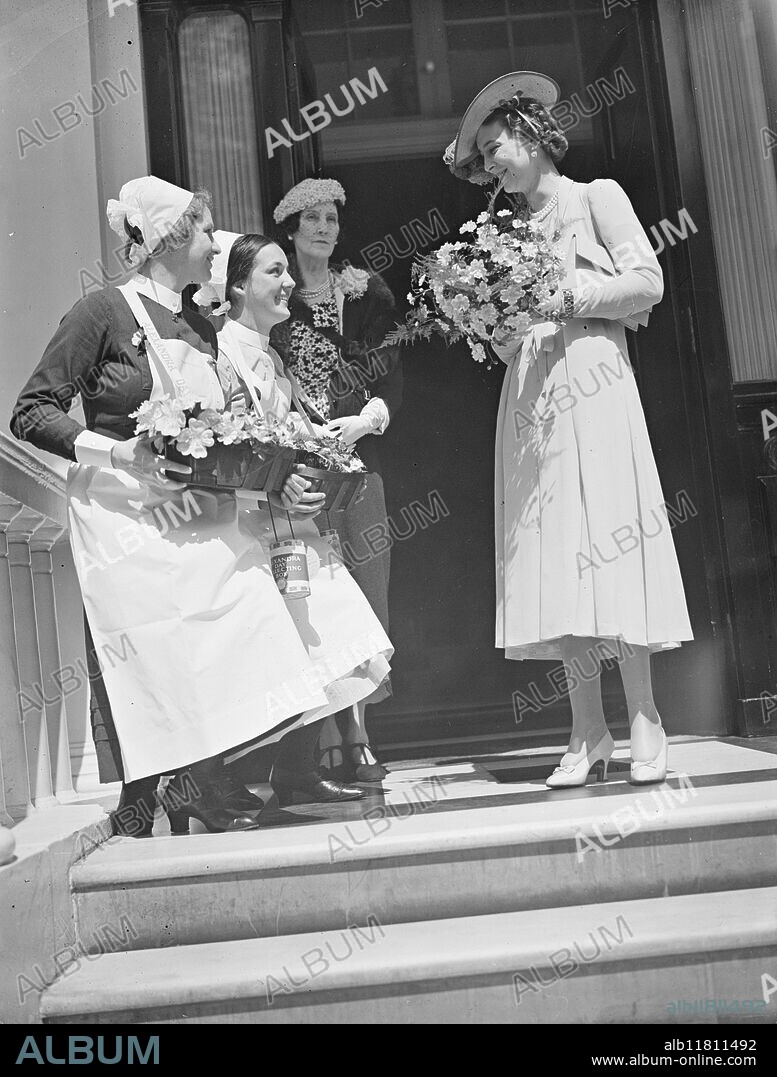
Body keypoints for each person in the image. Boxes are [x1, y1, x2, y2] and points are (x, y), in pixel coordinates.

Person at [10, 176, 386, 836]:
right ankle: (165, 785)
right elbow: (32, 411)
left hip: (194, 508)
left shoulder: (198, 328)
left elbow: (224, 436)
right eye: (207, 230)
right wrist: (120, 454)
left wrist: (275, 481)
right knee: (156, 647)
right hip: (123, 512)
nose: (216, 243)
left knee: (264, 613)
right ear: (172, 237)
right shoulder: (101, 312)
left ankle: (203, 776)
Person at [446, 72, 693, 787]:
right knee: (556, 555)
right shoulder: (505, 233)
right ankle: (587, 729)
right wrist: (489, 323)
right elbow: (504, 329)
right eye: (483, 155)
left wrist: (572, 292)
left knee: (610, 540)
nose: (490, 163)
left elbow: (646, 281)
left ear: (529, 134)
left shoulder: (596, 197)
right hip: (531, 397)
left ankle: (644, 715)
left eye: (495, 147)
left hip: (594, 384)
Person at [208, 230, 394, 804]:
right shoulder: (220, 351)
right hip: (242, 524)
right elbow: (227, 438)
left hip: (290, 522)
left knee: (331, 629)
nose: (289, 282)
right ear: (238, 285)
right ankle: (222, 778)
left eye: (288, 271)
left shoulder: (271, 353)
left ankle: (295, 769)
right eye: (274, 272)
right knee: (269, 646)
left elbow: (288, 424)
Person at [270, 178, 402, 783]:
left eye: (332, 219)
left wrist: (366, 418)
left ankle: (359, 731)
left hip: (360, 456)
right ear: (291, 230)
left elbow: (392, 367)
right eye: (312, 219)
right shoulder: (275, 292)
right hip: (301, 467)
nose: (324, 228)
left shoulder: (366, 290)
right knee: (317, 593)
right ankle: (320, 735)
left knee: (368, 585)